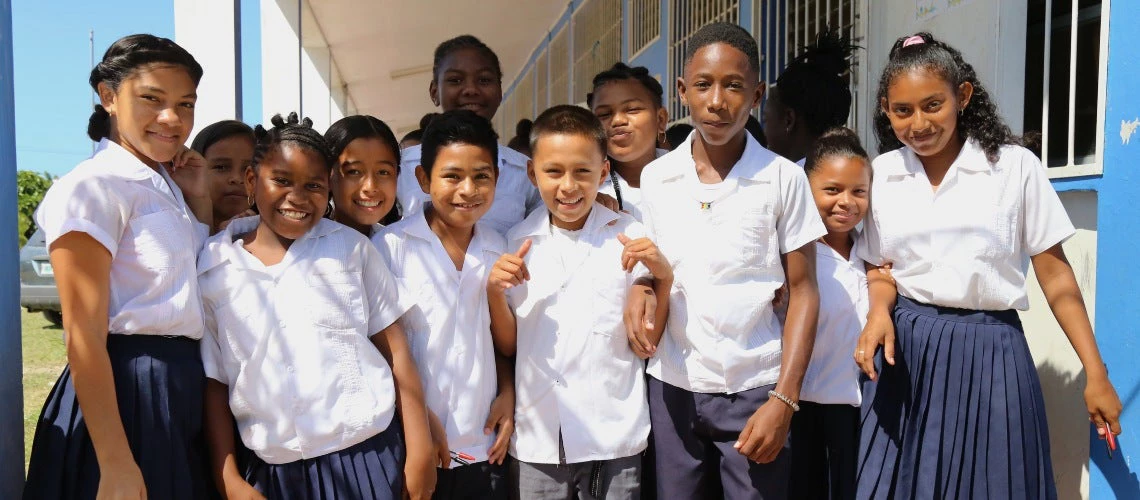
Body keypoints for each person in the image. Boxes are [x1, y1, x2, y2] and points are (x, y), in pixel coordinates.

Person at [854, 32, 1123, 500]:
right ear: (885, 109)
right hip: (908, 357)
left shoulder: (1014, 168)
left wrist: (1095, 372)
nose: (918, 123)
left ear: (962, 96)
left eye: (933, 105)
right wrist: (879, 312)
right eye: (902, 111)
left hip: (991, 354)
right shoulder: (884, 176)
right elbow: (880, 267)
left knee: (994, 485)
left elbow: (1056, 274)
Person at [198, 113, 436, 499]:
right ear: (250, 181)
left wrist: (419, 446)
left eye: (313, 185)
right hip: (276, 474)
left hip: (369, 456)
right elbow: (216, 383)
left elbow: (397, 354)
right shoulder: (213, 271)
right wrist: (228, 478)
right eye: (281, 180)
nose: (297, 196)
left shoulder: (351, 250)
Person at [634, 22, 825, 499]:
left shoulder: (783, 180)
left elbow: (803, 290)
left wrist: (784, 399)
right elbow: (652, 267)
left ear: (758, 94)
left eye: (734, 85)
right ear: (682, 92)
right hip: (673, 386)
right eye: (703, 85)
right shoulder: (657, 179)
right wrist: (641, 286)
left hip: (756, 387)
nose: (717, 101)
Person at [24, 33, 214, 499]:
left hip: (180, 389)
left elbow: (189, 280)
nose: (173, 118)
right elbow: (81, 334)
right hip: (128, 396)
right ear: (109, 97)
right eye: (152, 99)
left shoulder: (163, 184)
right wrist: (115, 462)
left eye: (185, 104)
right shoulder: (93, 187)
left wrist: (200, 198)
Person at [489, 105, 672, 499]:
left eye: (583, 172)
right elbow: (509, 345)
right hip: (540, 438)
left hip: (614, 436)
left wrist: (660, 277)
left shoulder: (630, 236)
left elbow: (650, 334)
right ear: (532, 173)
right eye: (553, 171)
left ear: (604, 173)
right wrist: (494, 294)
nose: (568, 186)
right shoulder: (515, 246)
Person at [373, 110, 516, 499]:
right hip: (411, 446)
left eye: (481, 176)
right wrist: (417, 416)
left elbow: (499, 341)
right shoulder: (389, 248)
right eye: (452, 176)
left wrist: (508, 390)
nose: (468, 190)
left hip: (483, 445)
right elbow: (376, 350)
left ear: (497, 179)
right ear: (423, 179)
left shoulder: (498, 248)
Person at [789, 128, 871, 500]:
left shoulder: (873, 254)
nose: (846, 202)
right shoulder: (793, 257)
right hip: (800, 406)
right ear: (807, 190)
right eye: (832, 190)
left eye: (859, 191)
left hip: (859, 408)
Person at [396, 35, 541, 236]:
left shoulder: (524, 172)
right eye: (455, 80)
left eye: (484, 80)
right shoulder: (402, 167)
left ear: (499, 90)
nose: (471, 89)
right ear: (434, 91)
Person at [588, 62, 670, 221]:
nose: (618, 120)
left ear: (660, 119)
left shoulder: (691, 175)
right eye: (604, 114)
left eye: (632, 109)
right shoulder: (584, 188)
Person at [763, 29, 857, 166]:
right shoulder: (857, 173)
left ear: (789, 120)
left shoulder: (787, 183)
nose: (764, 133)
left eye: (766, 120)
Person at [325, 115, 402, 236]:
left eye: (383, 172)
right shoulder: (303, 247)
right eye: (354, 172)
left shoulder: (401, 247)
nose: (370, 187)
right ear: (327, 176)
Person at [192, 119, 256, 231]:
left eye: (248, 170)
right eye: (221, 167)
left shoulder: (281, 241)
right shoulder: (174, 231)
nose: (236, 178)